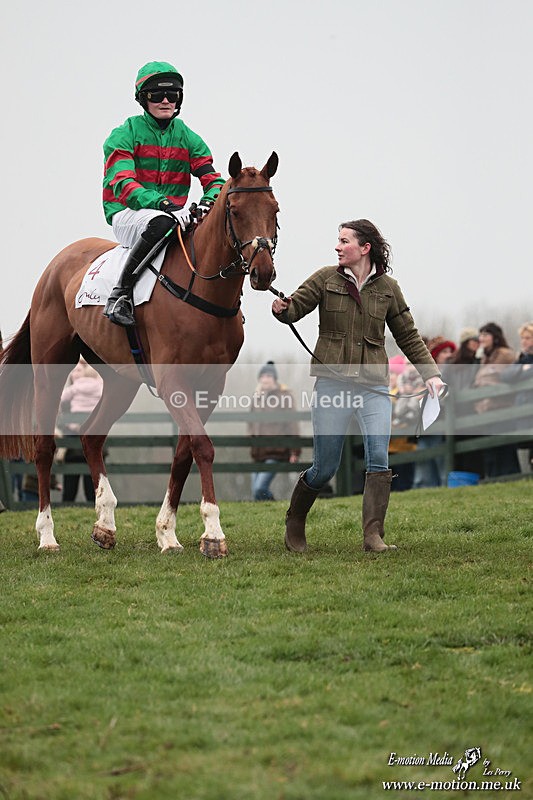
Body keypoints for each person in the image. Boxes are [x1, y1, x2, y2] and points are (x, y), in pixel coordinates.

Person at [272, 218, 444, 553]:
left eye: (344, 240)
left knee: (379, 456)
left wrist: (431, 374)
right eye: (337, 241)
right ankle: (295, 521)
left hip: (374, 385)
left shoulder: (388, 289)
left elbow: (408, 335)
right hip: (332, 385)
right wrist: (282, 308)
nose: (337, 246)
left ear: (364, 248)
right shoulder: (325, 278)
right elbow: (294, 307)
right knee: (325, 467)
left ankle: (372, 536)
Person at [103, 61, 225, 326]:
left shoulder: (189, 138)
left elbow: (214, 181)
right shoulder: (123, 135)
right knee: (162, 222)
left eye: (173, 95)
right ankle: (119, 294)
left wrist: (207, 203)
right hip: (128, 213)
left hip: (174, 215)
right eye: (157, 95)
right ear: (142, 99)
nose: (166, 100)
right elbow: (124, 184)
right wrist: (163, 204)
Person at [473, 321, 519, 478]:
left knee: (505, 449)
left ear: (495, 337)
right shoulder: (484, 357)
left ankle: (510, 477)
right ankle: (493, 479)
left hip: (502, 408)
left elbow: (508, 376)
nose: (482, 338)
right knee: (490, 451)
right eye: (480, 335)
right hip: (486, 411)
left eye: (485, 334)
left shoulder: (505, 354)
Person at [248, 361, 300, 500]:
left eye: (268, 376)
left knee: (260, 488)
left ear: (274, 379)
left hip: (276, 451)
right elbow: (251, 423)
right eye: (262, 376)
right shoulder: (256, 397)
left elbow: (292, 424)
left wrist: (295, 450)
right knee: (256, 492)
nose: (265, 379)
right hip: (258, 453)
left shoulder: (284, 396)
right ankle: (265, 515)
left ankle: (274, 505)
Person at [412, 335, 457, 489]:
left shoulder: (453, 372)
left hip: (444, 426)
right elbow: (415, 396)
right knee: (423, 472)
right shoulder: (426, 374)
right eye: (444, 351)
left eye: (451, 351)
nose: (449, 354)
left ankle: (447, 492)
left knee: (444, 469)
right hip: (425, 427)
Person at [60, 360, 104, 502]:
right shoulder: (99, 386)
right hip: (92, 435)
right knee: (91, 480)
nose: (75, 374)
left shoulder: (73, 390)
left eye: (78, 371)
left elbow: (60, 400)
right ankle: (93, 504)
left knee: (72, 484)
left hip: (74, 439)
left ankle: (68, 505)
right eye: (73, 371)